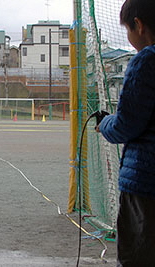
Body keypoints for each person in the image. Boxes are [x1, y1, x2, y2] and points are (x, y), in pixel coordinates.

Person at [96, 0, 155, 265]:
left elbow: (127, 124)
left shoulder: (146, 62)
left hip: (146, 183)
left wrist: (104, 124)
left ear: (139, 25)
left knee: (138, 257)